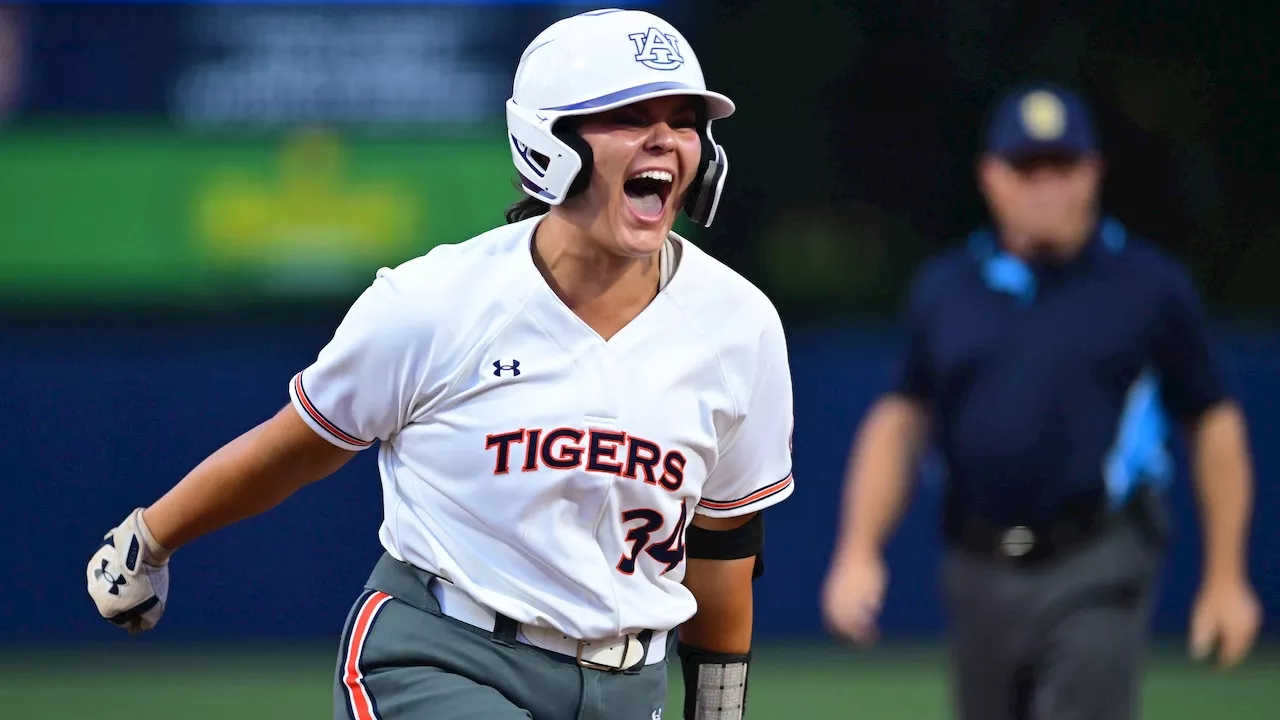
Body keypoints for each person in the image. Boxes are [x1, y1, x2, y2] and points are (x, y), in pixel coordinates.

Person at [86, 9, 795, 720]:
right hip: (438, 657)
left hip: (627, 686)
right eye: (629, 115)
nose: (665, 140)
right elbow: (298, 445)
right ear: (548, 141)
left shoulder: (739, 325)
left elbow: (723, 544)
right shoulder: (435, 302)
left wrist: (717, 710)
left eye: (683, 120)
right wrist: (150, 537)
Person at [821, 82, 1262, 720]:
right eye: (1025, 167)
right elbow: (898, 422)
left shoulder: (1147, 287)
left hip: (1098, 556)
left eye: (1063, 165)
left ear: (1095, 172)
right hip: (977, 566)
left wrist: (1226, 578)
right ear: (990, 177)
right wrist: (858, 552)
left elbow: (1214, 423)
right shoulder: (947, 290)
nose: (1045, 185)